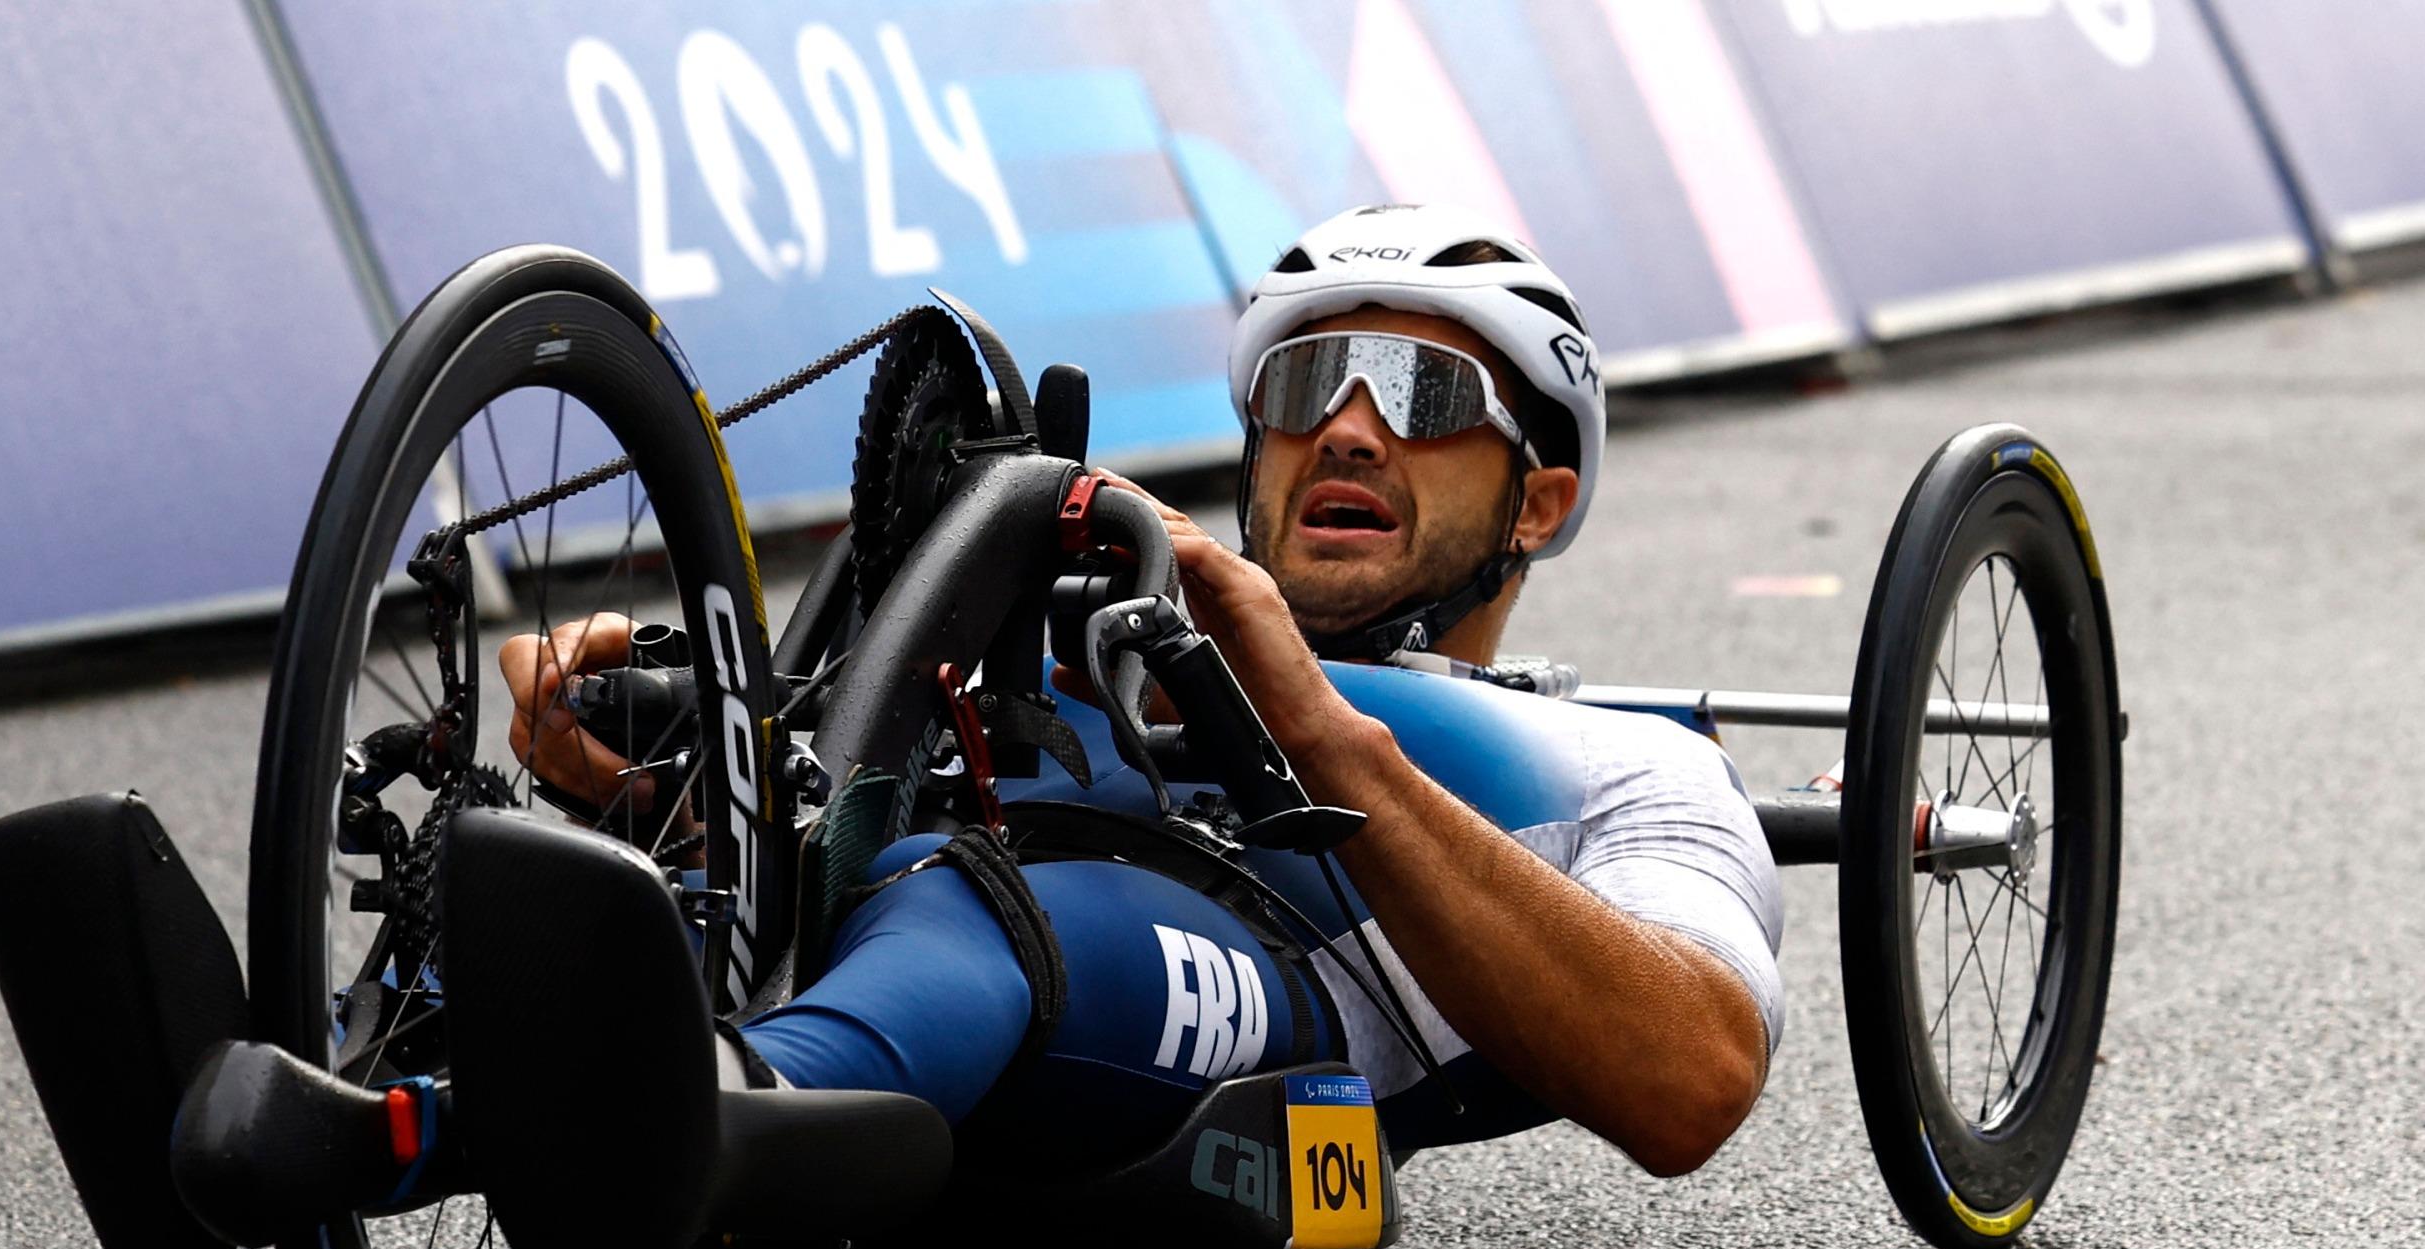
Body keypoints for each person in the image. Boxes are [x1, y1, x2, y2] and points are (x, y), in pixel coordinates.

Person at [505, 204, 1782, 1179]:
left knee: (987, 905)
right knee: (589, 895)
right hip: (900, 913)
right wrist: (666, 771)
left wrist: (1317, 726)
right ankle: (386, 1096)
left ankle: (732, 1112)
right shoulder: (1089, 621)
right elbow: (833, 825)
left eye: (1423, 393)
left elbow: (1691, 1078)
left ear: (1538, 501)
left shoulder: (1628, 763)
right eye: (1303, 386)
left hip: (1196, 966)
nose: (1345, 427)